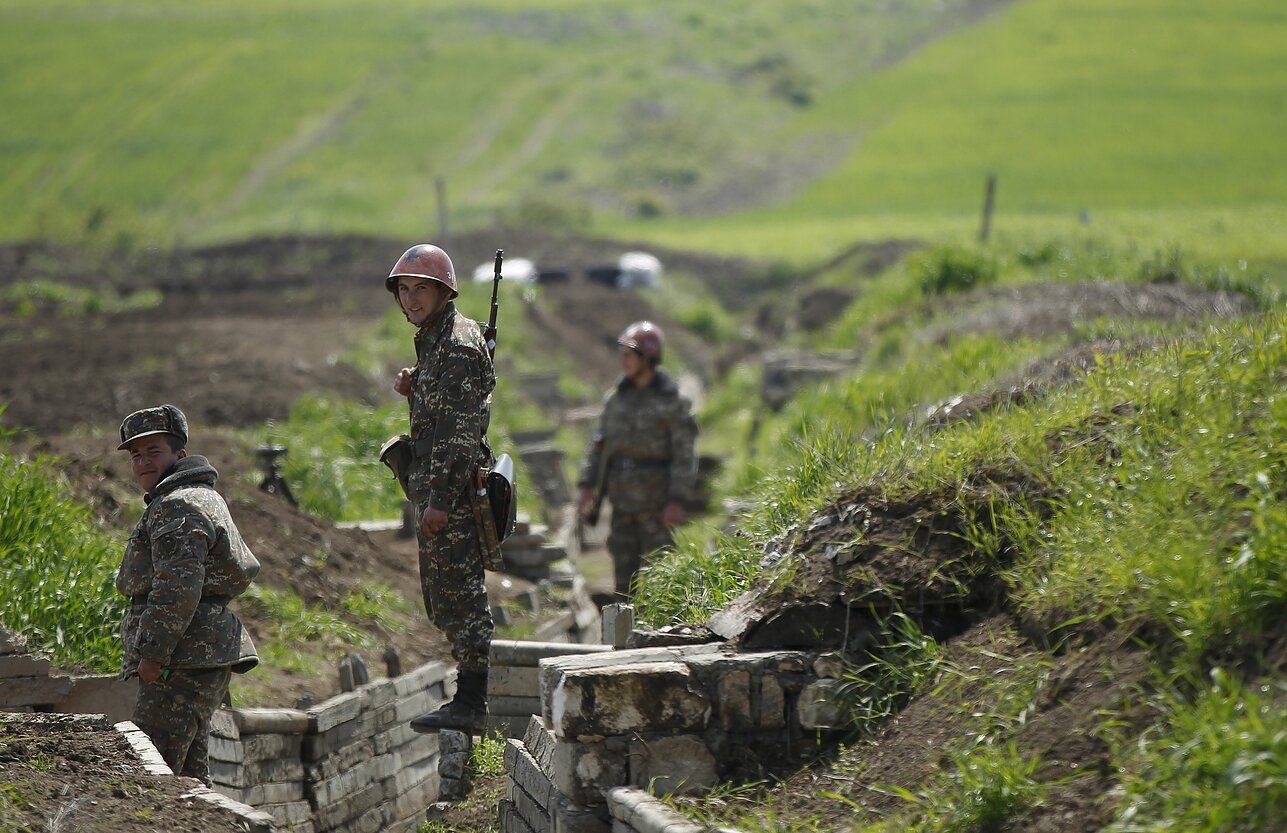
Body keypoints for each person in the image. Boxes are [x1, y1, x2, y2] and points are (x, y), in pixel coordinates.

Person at [115, 404, 259, 785]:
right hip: (196, 653)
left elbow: (176, 590)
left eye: (154, 451)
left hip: (181, 660)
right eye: (136, 455)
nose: (143, 461)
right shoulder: (198, 496)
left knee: (154, 774)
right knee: (190, 782)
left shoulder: (177, 504)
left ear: (179, 455)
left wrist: (153, 655)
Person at [386, 243, 497, 735]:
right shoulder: (436, 340)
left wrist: (439, 503)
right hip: (439, 488)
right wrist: (418, 383)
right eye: (404, 291)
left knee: (460, 596)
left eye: (421, 290)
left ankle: (473, 701)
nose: (411, 300)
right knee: (444, 597)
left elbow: (458, 433)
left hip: (450, 493)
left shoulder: (453, 344)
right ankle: (469, 695)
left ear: (443, 292)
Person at [576, 321, 699, 597]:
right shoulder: (616, 400)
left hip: (658, 506)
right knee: (623, 583)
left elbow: (684, 454)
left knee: (663, 577)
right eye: (622, 353)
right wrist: (587, 486)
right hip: (621, 507)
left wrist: (677, 500)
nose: (623, 359)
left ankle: (663, 633)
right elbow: (599, 446)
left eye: (630, 353)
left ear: (648, 357)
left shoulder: (673, 401)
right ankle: (624, 636)